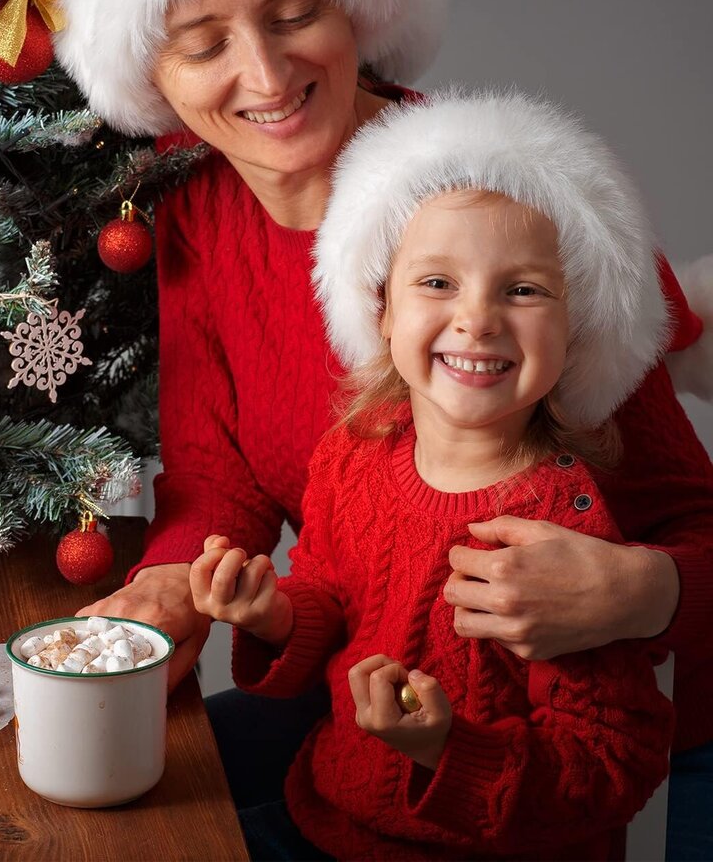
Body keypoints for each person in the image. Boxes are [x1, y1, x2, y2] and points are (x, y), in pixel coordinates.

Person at [53, 0, 713, 856]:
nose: (265, 74)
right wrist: (169, 588)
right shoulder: (198, 215)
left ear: (356, 4)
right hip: (380, 717)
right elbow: (217, 488)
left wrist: (646, 589)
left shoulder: (489, 220)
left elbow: (687, 518)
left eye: (294, 15)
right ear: (150, 74)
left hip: (610, 734)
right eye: (202, 42)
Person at [190, 89, 676, 860]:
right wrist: (275, 615)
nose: (477, 319)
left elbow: (613, 763)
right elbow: (333, 596)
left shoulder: (561, 527)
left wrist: (448, 748)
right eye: (437, 282)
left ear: (574, 327)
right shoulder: (357, 452)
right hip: (329, 818)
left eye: (522, 290)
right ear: (380, 308)